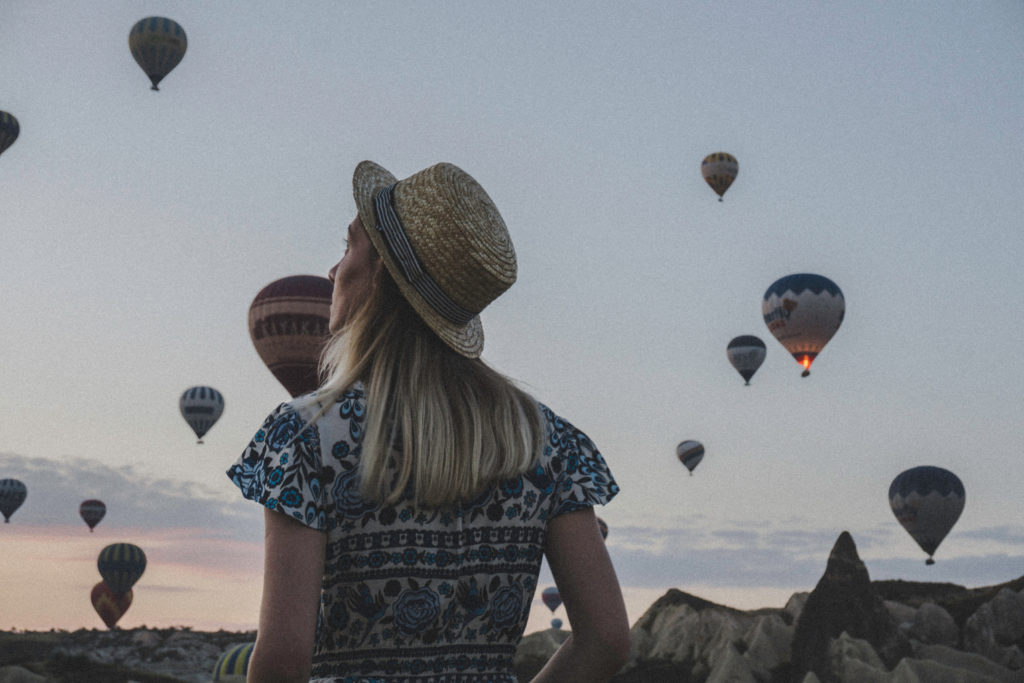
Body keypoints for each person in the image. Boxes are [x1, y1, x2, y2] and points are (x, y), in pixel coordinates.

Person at [227, 161, 630, 683]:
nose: (333, 271)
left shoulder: (303, 436)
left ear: (383, 279)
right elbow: (607, 639)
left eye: (349, 247)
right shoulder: (547, 442)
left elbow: (282, 660)